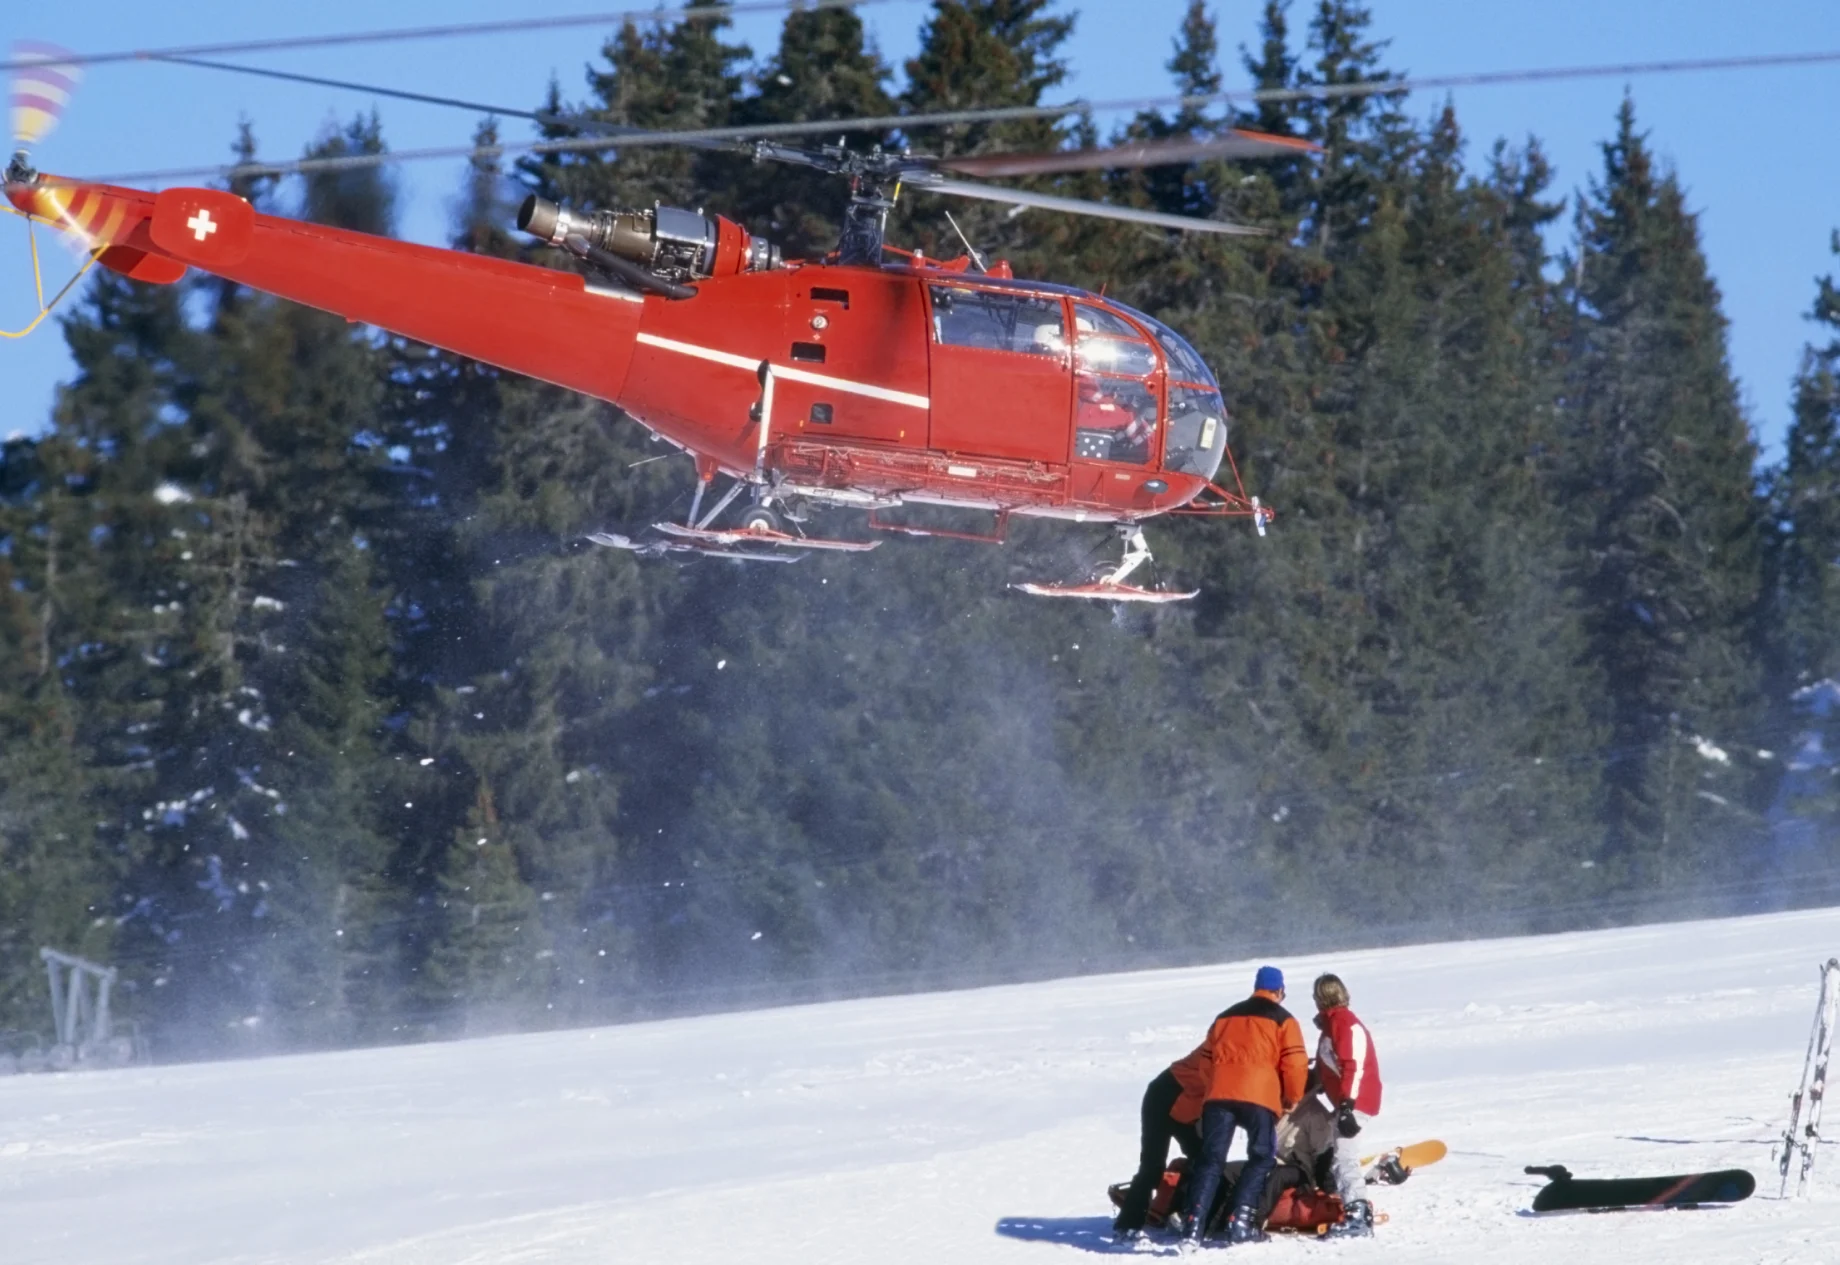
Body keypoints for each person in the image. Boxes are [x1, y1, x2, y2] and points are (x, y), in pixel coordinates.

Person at [1178, 965, 1309, 1245]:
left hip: (1219, 1097)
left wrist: (1217, 1086)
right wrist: (1292, 1097)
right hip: (1258, 1097)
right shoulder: (1284, 1020)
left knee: (1211, 1160)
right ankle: (1241, 1222)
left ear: (1256, 987)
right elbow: (1296, 1064)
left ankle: (1192, 1225)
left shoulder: (1224, 1017)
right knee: (1261, 1157)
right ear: (1279, 991)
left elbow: (1204, 1061)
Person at [1112, 1039, 1212, 1240]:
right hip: (1163, 1098)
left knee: (1206, 1161)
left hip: (1187, 1110)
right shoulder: (1222, 1046)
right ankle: (1128, 1226)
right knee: (1152, 1166)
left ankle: (1177, 1207)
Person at [1310, 972, 1384, 1238]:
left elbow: (1354, 1067)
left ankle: (1358, 1215)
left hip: (1356, 1101)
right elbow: (1327, 1067)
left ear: (1322, 997)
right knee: (1337, 1155)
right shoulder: (1330, 1027)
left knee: (1345, 1156)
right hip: (1346, 1101)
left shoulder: (1346, 1024)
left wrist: (1347, 1107)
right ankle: (1349, 1204)